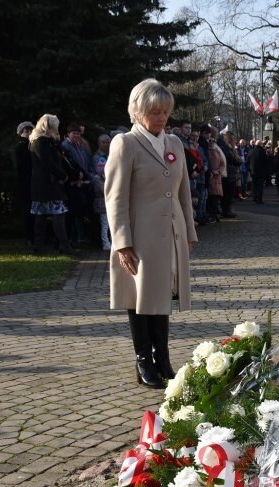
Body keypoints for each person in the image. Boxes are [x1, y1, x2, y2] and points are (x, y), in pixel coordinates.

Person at [105, 78, 198, 389]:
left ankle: (163, 357)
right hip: (140, 235)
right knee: (140, 297)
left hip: (172, 233)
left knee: (163, 296)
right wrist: (122, 243)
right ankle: (143, 359)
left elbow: (183, 192)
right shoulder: (126, 144)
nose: (161, 118)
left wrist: (190, 232)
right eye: (155, 111)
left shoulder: (174, 144)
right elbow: (115, 196)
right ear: (138, 111)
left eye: (165, 111)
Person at [29, 114, 77, 255]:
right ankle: (63, 244)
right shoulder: (42, 141)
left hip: (43, 184)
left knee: (42, 214)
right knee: (57, 214)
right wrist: (64, 175)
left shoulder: (39, 141)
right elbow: (48, 162)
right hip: (48, 184)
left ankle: (40, 245)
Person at [13, 121, 34, 248]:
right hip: (25, 183)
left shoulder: (34, 145)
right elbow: (20, 166)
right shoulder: (19, 147)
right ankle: (29, 237)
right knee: (28, 211)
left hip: (35, 181)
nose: (28, 133)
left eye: (30, 130)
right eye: (26, 131)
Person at [91, 134, 111, 250]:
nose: (106, 144)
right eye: (104, 142)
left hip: (108, 191)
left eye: (108, 142)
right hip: (102, 191)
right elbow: (99, 174)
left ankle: (111, 242)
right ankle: (106, 243)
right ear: (99, 143)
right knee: (105, 222)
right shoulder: (98, 157)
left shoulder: (110, 154)